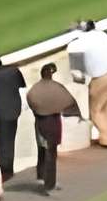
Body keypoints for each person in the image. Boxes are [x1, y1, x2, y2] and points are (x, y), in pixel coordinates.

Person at [68, 18, 107, 148]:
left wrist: (81, 82)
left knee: (96, 111)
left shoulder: (76, 45)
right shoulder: (101, 35)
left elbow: (77, 72)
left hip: (100, 78)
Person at [25, 61, 78, 191]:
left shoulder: (35, 89)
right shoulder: (57, 87)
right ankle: (50, 184)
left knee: (42, 151)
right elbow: (69, 101)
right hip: (53, 124)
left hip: (40, 123)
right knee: (51, 154)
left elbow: (31, 102)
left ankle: (41, 176)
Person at [0, 52, 27, 176]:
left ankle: (5, 169)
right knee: (10, 139)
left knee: (3, 141)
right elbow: (22, 85)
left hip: (1, 111)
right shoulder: (14, 71)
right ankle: (8, 167)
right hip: (13, 109)